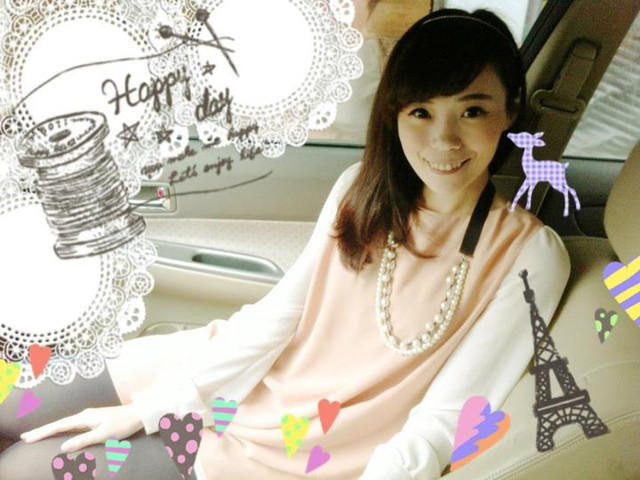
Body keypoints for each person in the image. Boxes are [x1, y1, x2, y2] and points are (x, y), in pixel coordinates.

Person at [0, 8, 570, 480]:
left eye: (472, 110)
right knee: (9, 406)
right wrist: (153, 406)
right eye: (421, 111)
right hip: (230, 374)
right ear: (394, 114)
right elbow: (279, 318)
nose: (443, 139)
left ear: (510, 111)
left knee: (22, 467)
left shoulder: (531, 254)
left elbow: (448, 418)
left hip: (302, 452)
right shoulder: (358, 189)